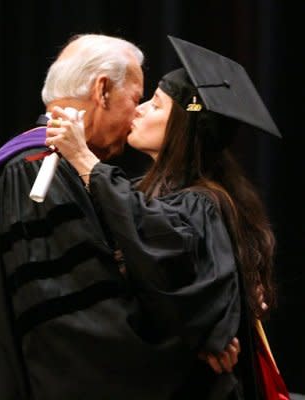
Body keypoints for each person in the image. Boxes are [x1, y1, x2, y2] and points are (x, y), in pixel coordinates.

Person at [0, 33, 239, 399]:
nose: (135, 113)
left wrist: (202, 323)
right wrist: (190, 348)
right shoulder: (36, 174)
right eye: (133, 98)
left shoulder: (57, 171)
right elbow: (78, 327)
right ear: (102, 91)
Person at [45, 36, 290, 399]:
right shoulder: (150, 192)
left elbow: (167, 266)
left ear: (182, 126)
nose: (138, 110)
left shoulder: (203, 204)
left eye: (155, 106)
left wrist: (85, 160)